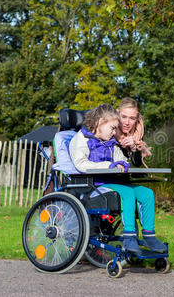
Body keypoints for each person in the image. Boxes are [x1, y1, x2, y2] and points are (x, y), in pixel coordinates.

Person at [69, 103, 167, 253]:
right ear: (101, 123)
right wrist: (108, 166)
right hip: (94, 186)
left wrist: (122, 164)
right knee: (127, 193)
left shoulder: (110, 143)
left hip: (113, 183)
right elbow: (80, 164)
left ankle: (149, 235)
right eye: (113, 128)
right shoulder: (81, 138)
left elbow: (122, 159)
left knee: (147, 194)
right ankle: (129, 237)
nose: (115, 131)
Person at [115, 97, 152, 167]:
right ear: (118, 115)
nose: (127, 122)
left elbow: (137, 164)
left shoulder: (138, 133)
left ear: (136, 119)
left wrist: (133, 147)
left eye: (132, 118)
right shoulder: (110, 129)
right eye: (124, 117)